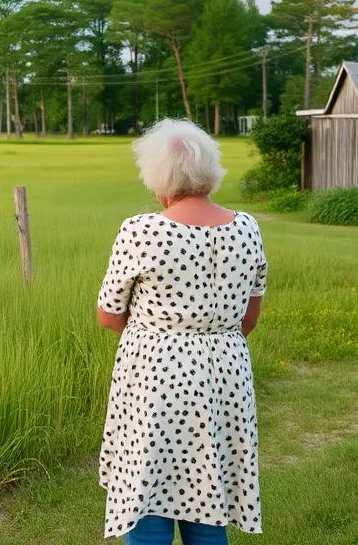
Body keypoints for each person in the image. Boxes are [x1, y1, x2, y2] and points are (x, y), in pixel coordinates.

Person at [96, 119, 266, 544]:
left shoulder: (141, 230)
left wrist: (159, 334)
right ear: (210, 171)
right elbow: (250, 316)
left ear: (158, 179)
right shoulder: (247, 227)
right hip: (225, 371)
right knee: (209, 489)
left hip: (155, 373)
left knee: (148, 488)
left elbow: (109, 315)